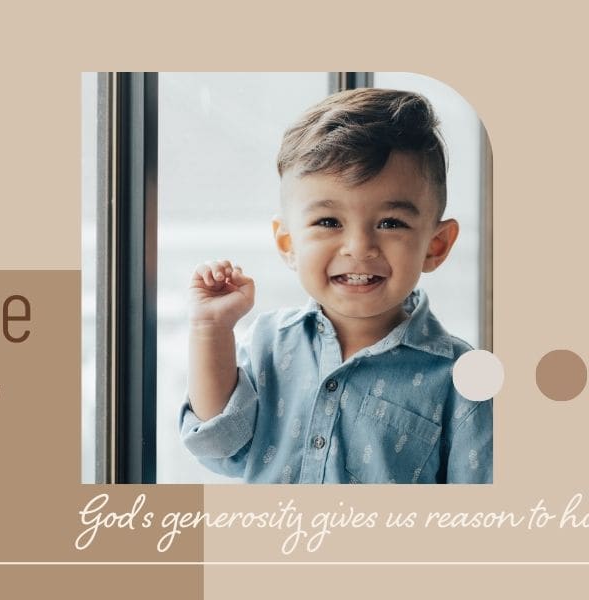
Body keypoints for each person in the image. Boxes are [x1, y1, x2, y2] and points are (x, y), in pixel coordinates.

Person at [178, 88, 492, 483]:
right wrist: (210, 330)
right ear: (288, 243)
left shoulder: (463, 380)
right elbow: (219, 447)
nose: (359, 247)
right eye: (328, 222)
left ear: (436, 245)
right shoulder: (269, 342)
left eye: (391, 223)